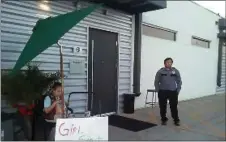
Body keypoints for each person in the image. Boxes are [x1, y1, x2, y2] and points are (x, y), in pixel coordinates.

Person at [154, 57, 182, 126]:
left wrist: (178, 90)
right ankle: (163, 119)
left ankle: (176, 119)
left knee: (174, 106)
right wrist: (158, 90)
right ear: (164, 63)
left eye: (170, 62)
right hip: (162, 91)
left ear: (172, 63)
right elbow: (156, 81)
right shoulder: (160, 71)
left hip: (173, 92)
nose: (169, 63)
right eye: (167, 62)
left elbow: (179, 81)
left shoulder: (175, 71)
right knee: (162, 106)